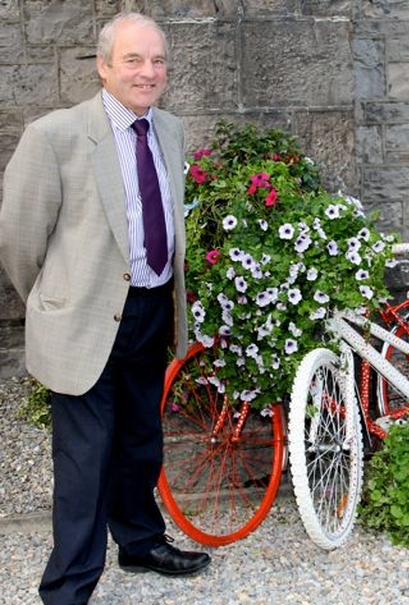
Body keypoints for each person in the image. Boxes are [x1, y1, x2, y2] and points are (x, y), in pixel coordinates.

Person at [0, 12, 210, 604]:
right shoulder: (56, 135)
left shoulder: (168, 128)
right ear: (103, 66)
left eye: (158, 60)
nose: (149, 72)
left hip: (150, 312)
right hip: (83, 322)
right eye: (134, 60)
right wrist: (53, 304)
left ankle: (140, 543)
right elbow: (18, 238)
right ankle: (68, 588)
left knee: (141, 440)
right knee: (84, 462)